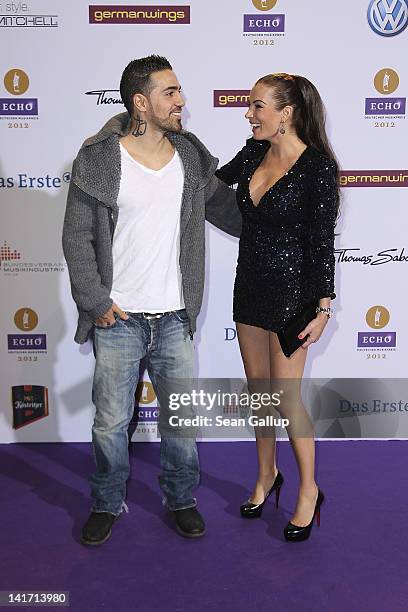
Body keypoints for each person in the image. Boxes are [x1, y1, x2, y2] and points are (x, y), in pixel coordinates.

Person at [62, 55, 241, 545]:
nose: (181, 100)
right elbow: (77, 237)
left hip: (174, 317)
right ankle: (106, 501)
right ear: (141, 102)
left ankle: (182, 498)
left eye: (179, 90)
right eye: (169, 92)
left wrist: (288, 223)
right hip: (117, 318)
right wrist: (95, 299)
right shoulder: (99, 160)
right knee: (110, 422)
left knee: (180, 422)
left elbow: (230, 210)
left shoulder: (190, 156)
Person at [216, 73, 339, 542]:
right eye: (250, 106)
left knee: (286, 397)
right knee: (260, 394)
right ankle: (267, 475)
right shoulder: (252, 153)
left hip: (293, 295)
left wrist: (323, 305)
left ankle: (308, 489)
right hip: (249, 288)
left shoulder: (317, 167)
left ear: (286, 112)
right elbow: (205, 180)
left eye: (258, 106)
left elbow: (321, 242)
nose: (249, 114)